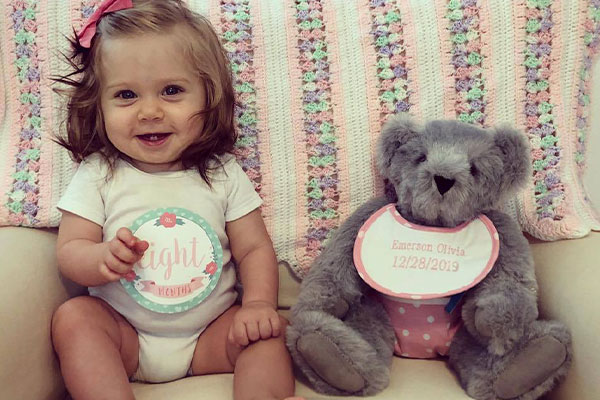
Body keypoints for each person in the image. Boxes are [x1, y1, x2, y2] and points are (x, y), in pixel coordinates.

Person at [51, 1, 302, 399]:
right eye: (126, 95)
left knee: (268, 335)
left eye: (171, 91)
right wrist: (101, 259)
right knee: (74, 318)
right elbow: (69, 251)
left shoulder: (222, 173)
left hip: (212, 334)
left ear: (209, 94)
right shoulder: (100, 174)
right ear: (98, 106)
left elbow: (253, 248)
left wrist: (256, 305)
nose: (150, 111)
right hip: (124, 336)